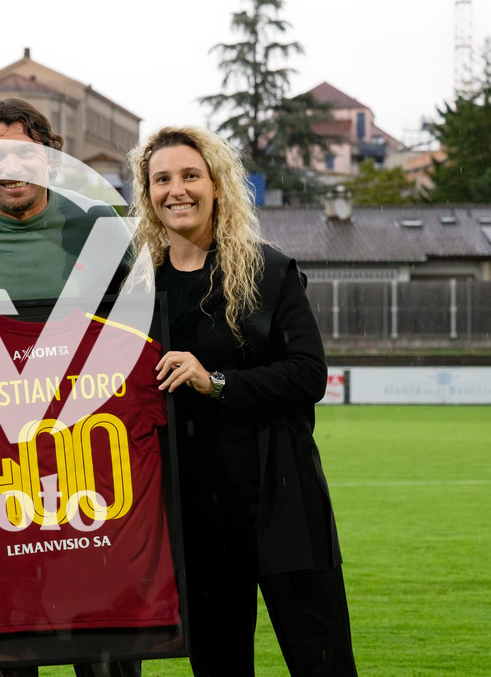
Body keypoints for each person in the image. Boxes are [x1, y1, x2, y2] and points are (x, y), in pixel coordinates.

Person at [126, 125, 358, 676]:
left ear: (217, 184)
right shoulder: (137, 288)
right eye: (161, 179)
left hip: (283, 505)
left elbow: (308, 375)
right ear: (147, 193)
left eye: (190, 175)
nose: (176, 190)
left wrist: (218, 382)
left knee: (322, 661)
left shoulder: (269, 270)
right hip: (195, 519)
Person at [0, 98, 143, 677]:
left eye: (24, 151)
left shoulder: (97, 226)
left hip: (87, 459)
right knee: (2, 635)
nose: (11, 166)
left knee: (103, 638)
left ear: (49, 158)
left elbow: (134, 336)